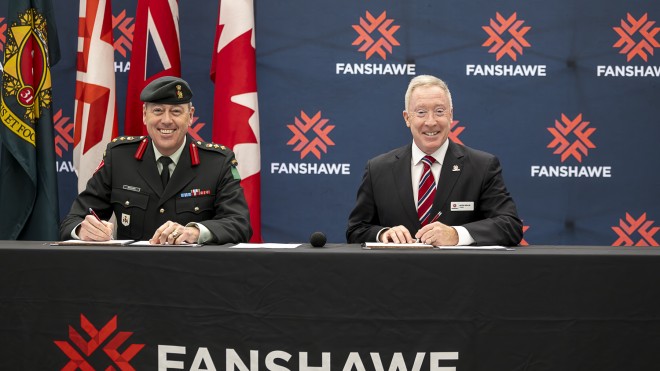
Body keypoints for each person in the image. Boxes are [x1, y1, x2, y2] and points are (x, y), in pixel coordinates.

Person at [60, 76, 252, 244]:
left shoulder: (217, 162)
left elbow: (239, 223)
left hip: (194, 275)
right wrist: (82, 230)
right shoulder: (119, 157)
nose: (166, 120)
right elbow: (73, 220)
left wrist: (194, 232)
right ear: (145, 115)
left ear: (190, 116)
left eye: (176, 111)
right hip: (131, 275)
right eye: (158, 111)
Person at [346, 75, 522, 246]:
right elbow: (356, 230)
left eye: (439, 111)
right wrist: (383, 234)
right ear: (407, 118)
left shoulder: (482, 166)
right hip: (397, 273)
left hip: (458, 274)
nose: (431, 122)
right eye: (421, 112)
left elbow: (510, 225)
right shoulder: (378, 169)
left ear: (451, 115)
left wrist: (456, 235)